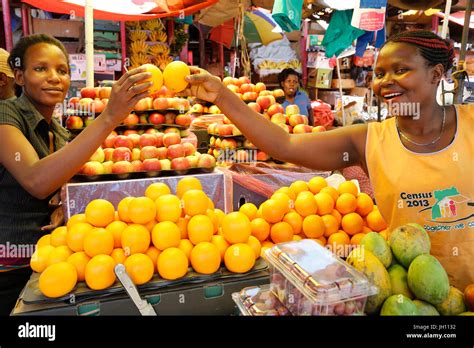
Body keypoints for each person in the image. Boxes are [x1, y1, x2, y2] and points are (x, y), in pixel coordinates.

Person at [183, 30, 473, 291]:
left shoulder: (470, 124)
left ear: (436, 74)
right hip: (410, 298)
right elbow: (284, 144)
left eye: (401, 70)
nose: (385, 82)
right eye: (380, 73)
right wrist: (220, 94)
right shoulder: (367, 140)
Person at [0, 34, 153, 315]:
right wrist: (109, 117)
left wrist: (61, 205)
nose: (54, 77)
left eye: (62, 70)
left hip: (51, 262)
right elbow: (36, 180)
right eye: (40, 69)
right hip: (9, 267)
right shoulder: (5, 115)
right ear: (19, 76)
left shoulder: (58, 131)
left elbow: (55, 184)